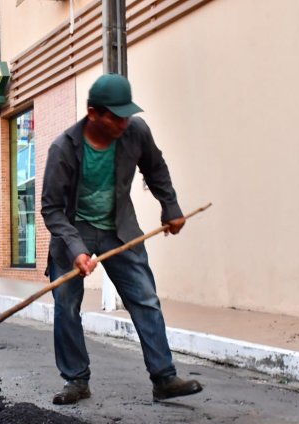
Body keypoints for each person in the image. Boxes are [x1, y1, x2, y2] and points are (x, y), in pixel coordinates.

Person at [41, 73, 203, 405]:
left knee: (145, 299)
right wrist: (75, 250)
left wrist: (169, 206)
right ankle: (76, 380)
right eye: (116, 116)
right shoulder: (64, 148)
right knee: (66, 304)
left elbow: (155, 168)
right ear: (93, 113)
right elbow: (52, 209)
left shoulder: (136, 132)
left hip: (120, 229)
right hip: (74, 231)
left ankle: (164, 378)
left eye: (127, 114)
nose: (123, 123)